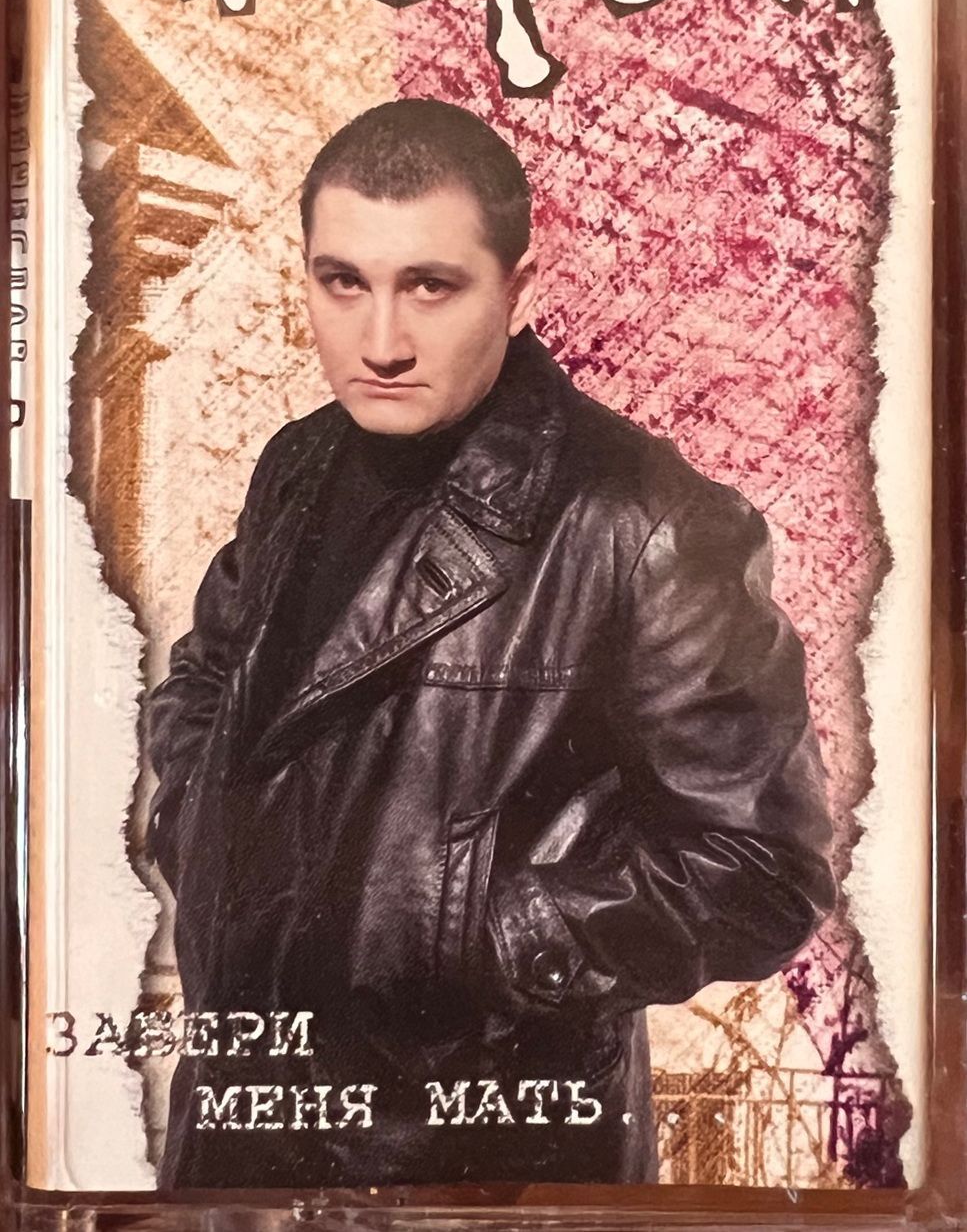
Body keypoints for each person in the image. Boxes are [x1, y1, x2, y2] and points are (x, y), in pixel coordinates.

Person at [145, 98, 835, 1190]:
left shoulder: (645, 522)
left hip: (478, 1152)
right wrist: (197, 820)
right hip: (238, 1133)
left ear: (520, 289)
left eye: (431, 285)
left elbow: (760, 870)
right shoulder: (299, 462)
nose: (380, 342)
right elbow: (204, 679)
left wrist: (475, 938)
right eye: (342, 281)